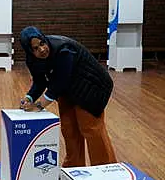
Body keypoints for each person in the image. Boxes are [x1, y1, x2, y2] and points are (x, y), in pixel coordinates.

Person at [19, 26, 117, 167]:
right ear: (29, 51)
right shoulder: (32, 60)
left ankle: (106, 169)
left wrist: (39, 106)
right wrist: (29, 98)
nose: (41, 49)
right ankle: (73, 169)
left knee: (90, 128)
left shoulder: (64, 50)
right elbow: (40, 81)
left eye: (42, 43)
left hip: (91, 86)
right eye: (35, 48)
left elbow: (59, 82)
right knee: (69, 129)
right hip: (68, 89)